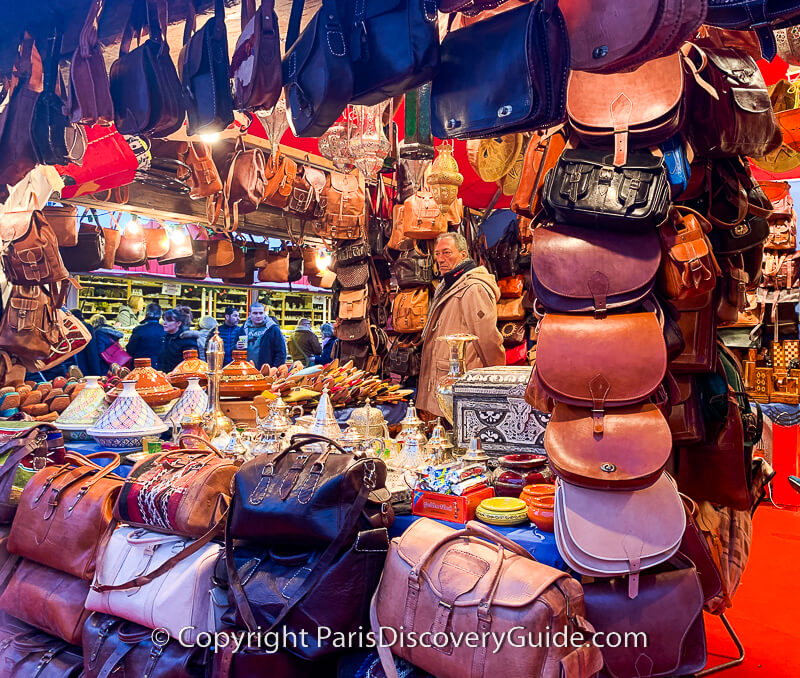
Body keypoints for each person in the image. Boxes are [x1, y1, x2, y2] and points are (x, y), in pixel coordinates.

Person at [417, 232, 505, 418]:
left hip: (460, 377)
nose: (440, 259)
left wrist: (497, 378)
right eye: (437, 254)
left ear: (463, 255)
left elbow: (487, 337)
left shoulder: (473, 288)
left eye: (447, 252)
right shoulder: (448, 284)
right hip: (447, 376)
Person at [158, 306, 200, 372]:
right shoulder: (164, 338)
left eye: (169, 320)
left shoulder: (188, 340)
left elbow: (191, 365)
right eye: (164, 320)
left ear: (178, 323)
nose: (164, 323)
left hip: (180, 378)